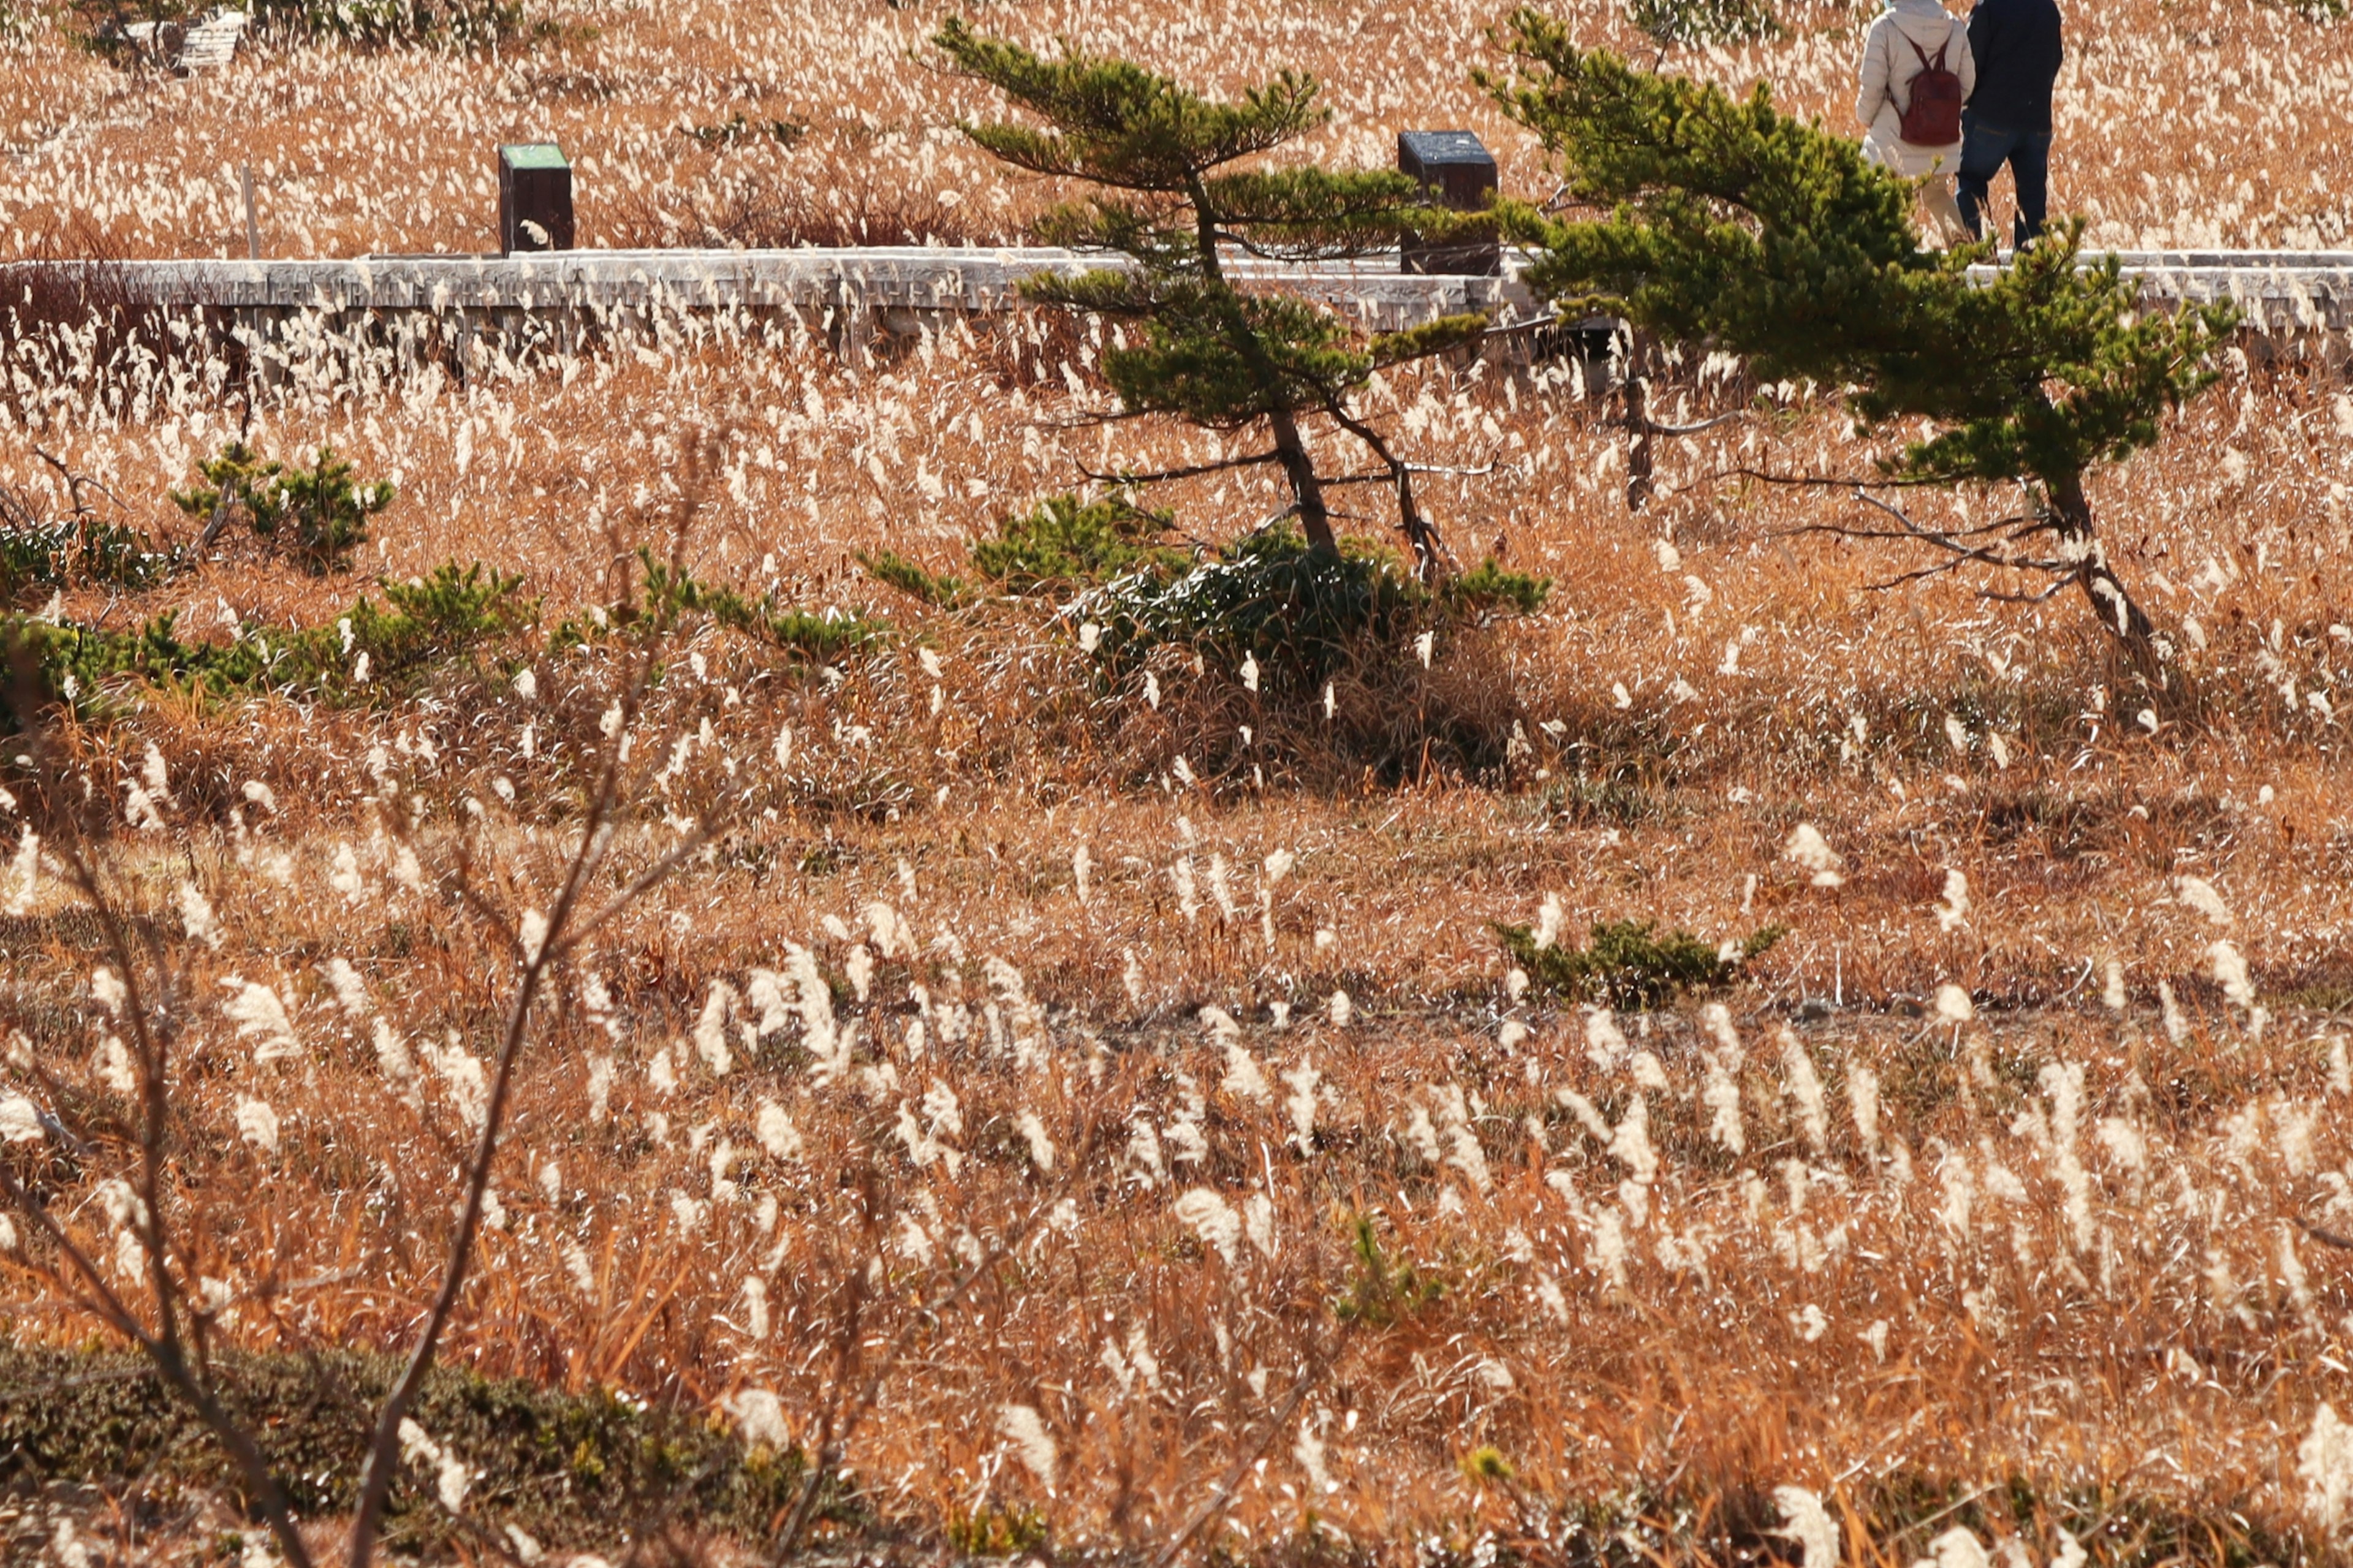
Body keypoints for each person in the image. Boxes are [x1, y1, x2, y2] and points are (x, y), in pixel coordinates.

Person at [1854, 0, 1977, 244]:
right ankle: (1962, 254)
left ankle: (1880, 254)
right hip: (1942, 137)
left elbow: (1872, 87)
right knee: (1937, 195)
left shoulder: (1885, 27)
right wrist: (1937, 112)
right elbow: (1967, 85)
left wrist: (1865, 118)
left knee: (1872, 191)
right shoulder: (1954, 27)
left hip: (1893, 136)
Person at [1956, 0, 2063, 246]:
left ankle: (1979, 253)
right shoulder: (2048, 8)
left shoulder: (1989, 7)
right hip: (2037, 118)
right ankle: (2031, 269)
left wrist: (1970, 101)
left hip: (1990, 117)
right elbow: (2056, 58)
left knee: (1971, 181)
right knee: (2033, 197)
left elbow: (1970, 61)